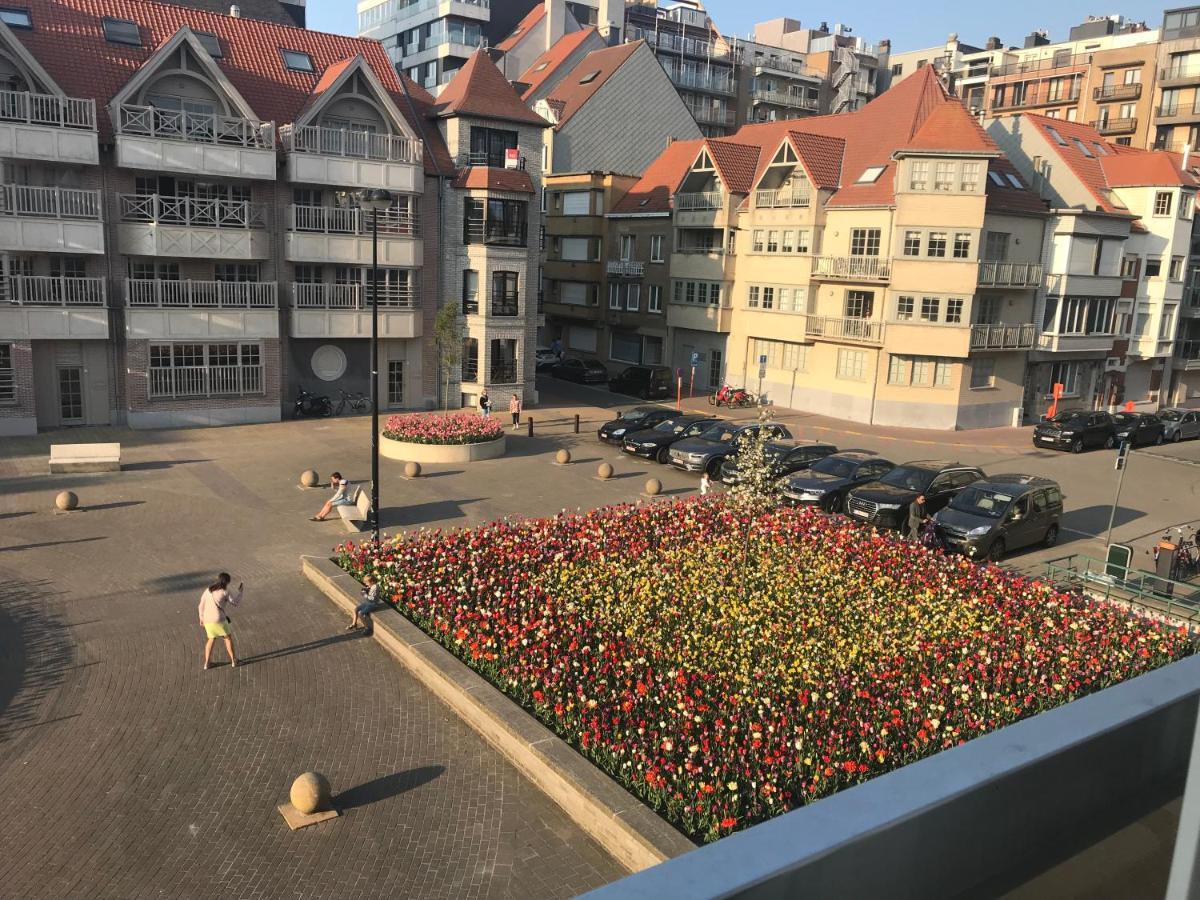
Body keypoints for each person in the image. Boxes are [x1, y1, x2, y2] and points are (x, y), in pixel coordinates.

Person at [199, 573, 242, 670]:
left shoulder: (208, 590)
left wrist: (201, 618)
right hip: (219, 619)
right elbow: (235, 602)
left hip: (207, 619)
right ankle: (233, 660)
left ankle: (207, 663)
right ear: (227, 582)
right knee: (227, 638)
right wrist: (240, 592)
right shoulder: (225, 592)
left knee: (211, 639)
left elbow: (201, 605)